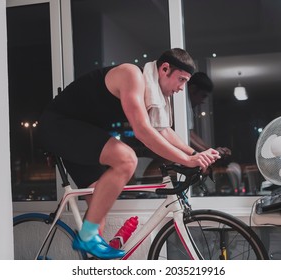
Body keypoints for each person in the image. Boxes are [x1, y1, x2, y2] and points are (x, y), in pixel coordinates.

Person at [38, 48, 221, 259]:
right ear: (164, 69)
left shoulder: (154, 94)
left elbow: (162, 130)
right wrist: (188, 160)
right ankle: (87, 237)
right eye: (180, 80)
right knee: (126, 159)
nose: (181, 88)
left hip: (82, 133)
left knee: (99, 206)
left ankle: (92, 263)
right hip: (59, 125)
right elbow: (143, 131)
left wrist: (196, 154)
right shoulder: (131, 75)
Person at [187, 72, 231, 158]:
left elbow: (190, 133)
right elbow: (187, 136)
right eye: (203, 96)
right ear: (192, 89)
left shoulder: (187, 107)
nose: (203, 101)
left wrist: (211, 150)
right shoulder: (182, 106)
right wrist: (208, 152)